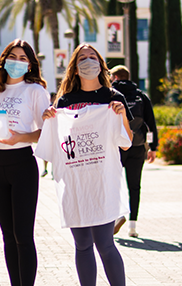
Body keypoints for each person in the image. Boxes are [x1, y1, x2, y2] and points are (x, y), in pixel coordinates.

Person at [36, 43, 133, 286]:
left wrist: (120, 115)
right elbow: (53, 144)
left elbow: (127, 143)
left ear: (101, 65)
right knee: (82, 245)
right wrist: (48, 119)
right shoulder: (65, 101)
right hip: (75, 183)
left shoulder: (113, 98)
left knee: (105, 244)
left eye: (92, 57)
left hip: (103, 181)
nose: (88, 61)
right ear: (75, 68)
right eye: (82, 58)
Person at [0, 39, 49, 286]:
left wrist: (21, 137)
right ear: (4, 59)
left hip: (22, 164)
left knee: (23, 236)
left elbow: (45, 131)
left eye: (23, 58)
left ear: (30, 64)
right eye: (13, 56)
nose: (17, 62)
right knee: (8, 236)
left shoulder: (35, 91)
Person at [110, 65, 159, 237]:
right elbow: (151, 123)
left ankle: (116, 216)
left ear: (115, 77)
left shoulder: (111, 95)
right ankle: (132, 226)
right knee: (135, 186)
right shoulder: (141, 96)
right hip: (138, 146)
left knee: (113, 183)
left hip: (116, 147)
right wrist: (153, 148)